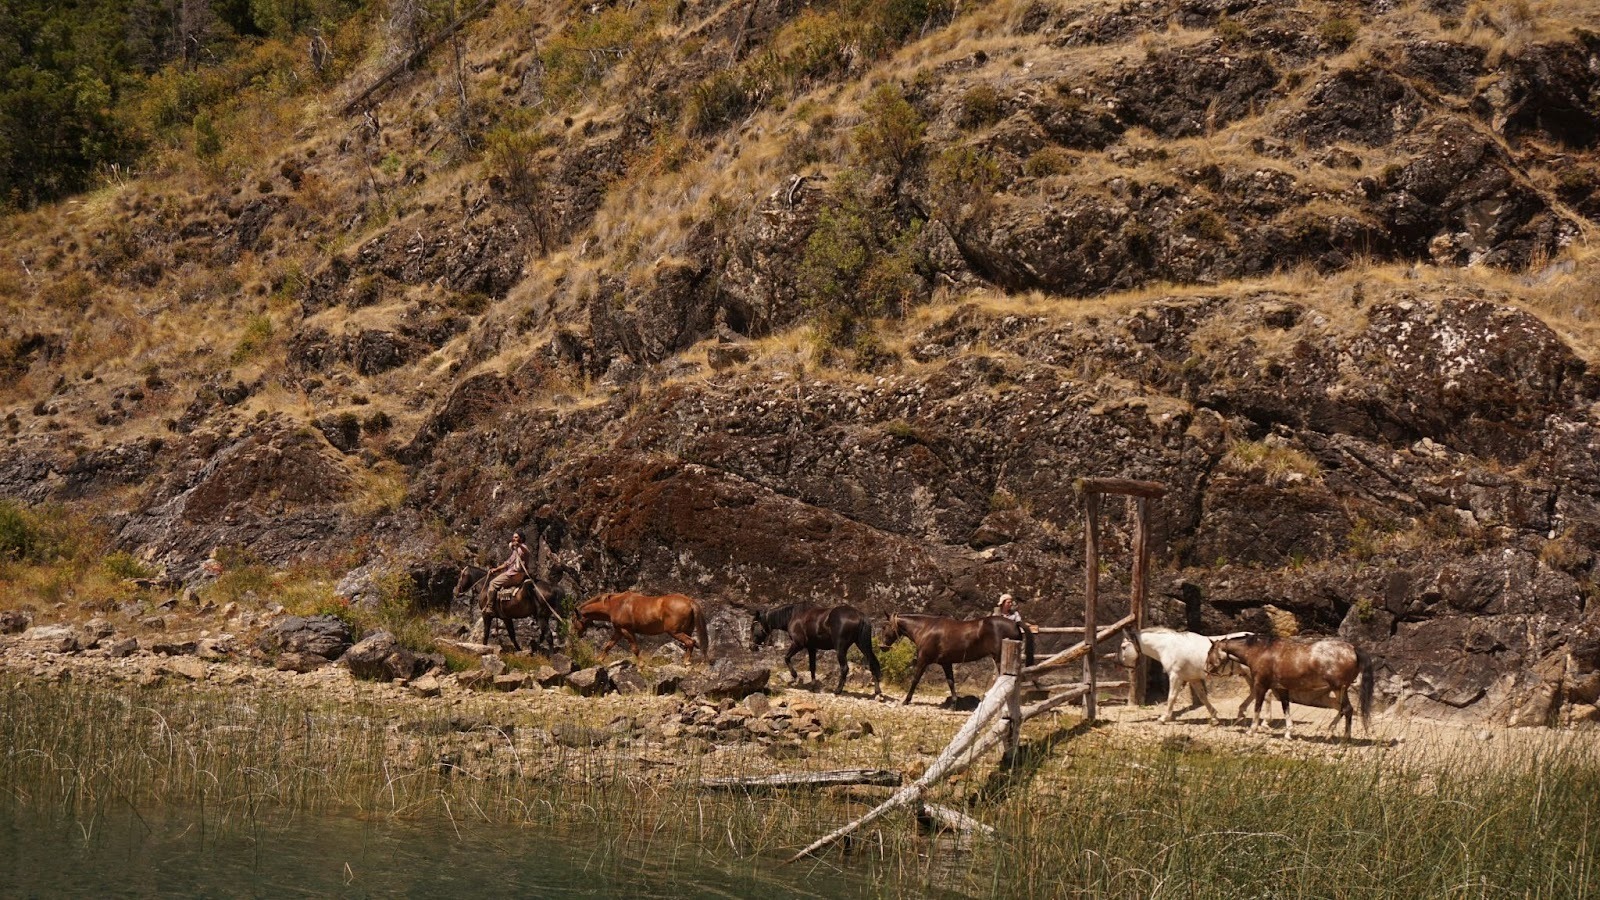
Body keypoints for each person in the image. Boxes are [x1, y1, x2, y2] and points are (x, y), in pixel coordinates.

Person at [484, 531, 533, 604]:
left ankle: (489, 607)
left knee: (492, 583)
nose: (514, 539)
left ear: (521, 539)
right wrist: (496, 569)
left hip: (515, 574)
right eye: (513, 537)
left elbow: (526, 551)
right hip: (513, 573)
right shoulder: (515, 551)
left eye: (516, 537)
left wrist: (519, 545)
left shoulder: (523, 547)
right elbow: (507, 563)